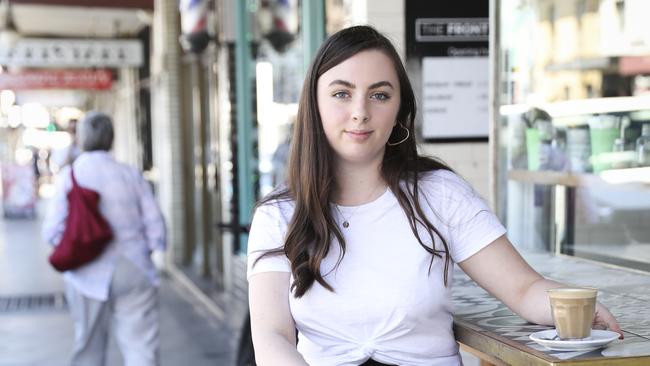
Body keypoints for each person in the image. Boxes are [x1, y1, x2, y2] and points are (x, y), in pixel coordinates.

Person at [246, 26, 622, 366]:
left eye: (379, 95)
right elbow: (271, 336)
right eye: (342, 93)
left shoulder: (439, 194)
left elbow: (523, 289)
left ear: (399, 110)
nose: (360, 112)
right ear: (314, 104)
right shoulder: (279, 214)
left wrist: (577, 308)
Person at [42, 112, 167, 366]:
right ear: (111, 138)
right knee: (141, 348)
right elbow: (156, 224)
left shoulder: (71, 175)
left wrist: (72, 247)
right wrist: (150, 249)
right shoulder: (130, 174)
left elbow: (51, 231)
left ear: (82, 139)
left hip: (85, 272)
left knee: (88, 348)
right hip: (133, 266)